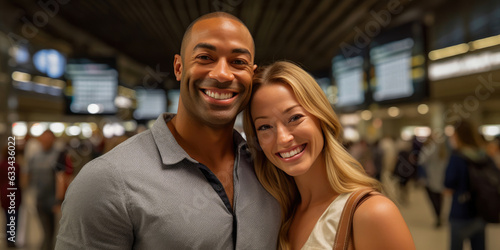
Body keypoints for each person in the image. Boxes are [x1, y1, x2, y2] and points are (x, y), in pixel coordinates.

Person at [56, 12, 280, 249]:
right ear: (179, 67)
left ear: (252, 74)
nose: (222, 74)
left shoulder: (270, 166)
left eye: (238, 62)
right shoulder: (107, 182)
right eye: (205, 57)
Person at [242, 61, 415, 250]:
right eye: (265, 127)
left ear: (321, 118)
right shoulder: (278, 217)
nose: (283, 138)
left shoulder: (373, 213)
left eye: (294, 118)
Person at [445, 120, 488, 250]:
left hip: (461, 212)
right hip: (481, 211)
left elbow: (448, 184)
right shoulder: (483, 155)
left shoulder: (457, 157)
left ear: (458, 135)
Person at [418, 134, 448, 228]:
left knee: (433, 198)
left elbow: (421, 160)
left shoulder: (430, 148)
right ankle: (440, 215)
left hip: (430, 178)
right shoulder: (445, 150)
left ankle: (437, 216)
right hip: (441, 178)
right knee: (440, 198)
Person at [1, 145, 22, 248]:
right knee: (14, 218)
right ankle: (11, 240)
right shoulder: (15, 166)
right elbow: (19, 182)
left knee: (7, 218)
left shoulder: (1, 165)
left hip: (4, 195)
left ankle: (8, 239)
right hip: (14, 195)